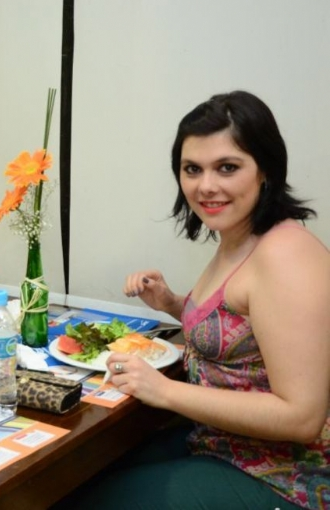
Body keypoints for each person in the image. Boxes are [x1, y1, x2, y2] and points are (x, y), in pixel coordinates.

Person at [60, 91, 330, 509]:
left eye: (227, 167)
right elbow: (246, 326)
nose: (206, 186)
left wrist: (165, 391)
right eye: (192, 169)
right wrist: (172, 302)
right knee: (74, 475)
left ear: (265, 170)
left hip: (286, 476)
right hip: (219, 442)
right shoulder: (238, 238)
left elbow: (302, 417)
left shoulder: (286, 254)